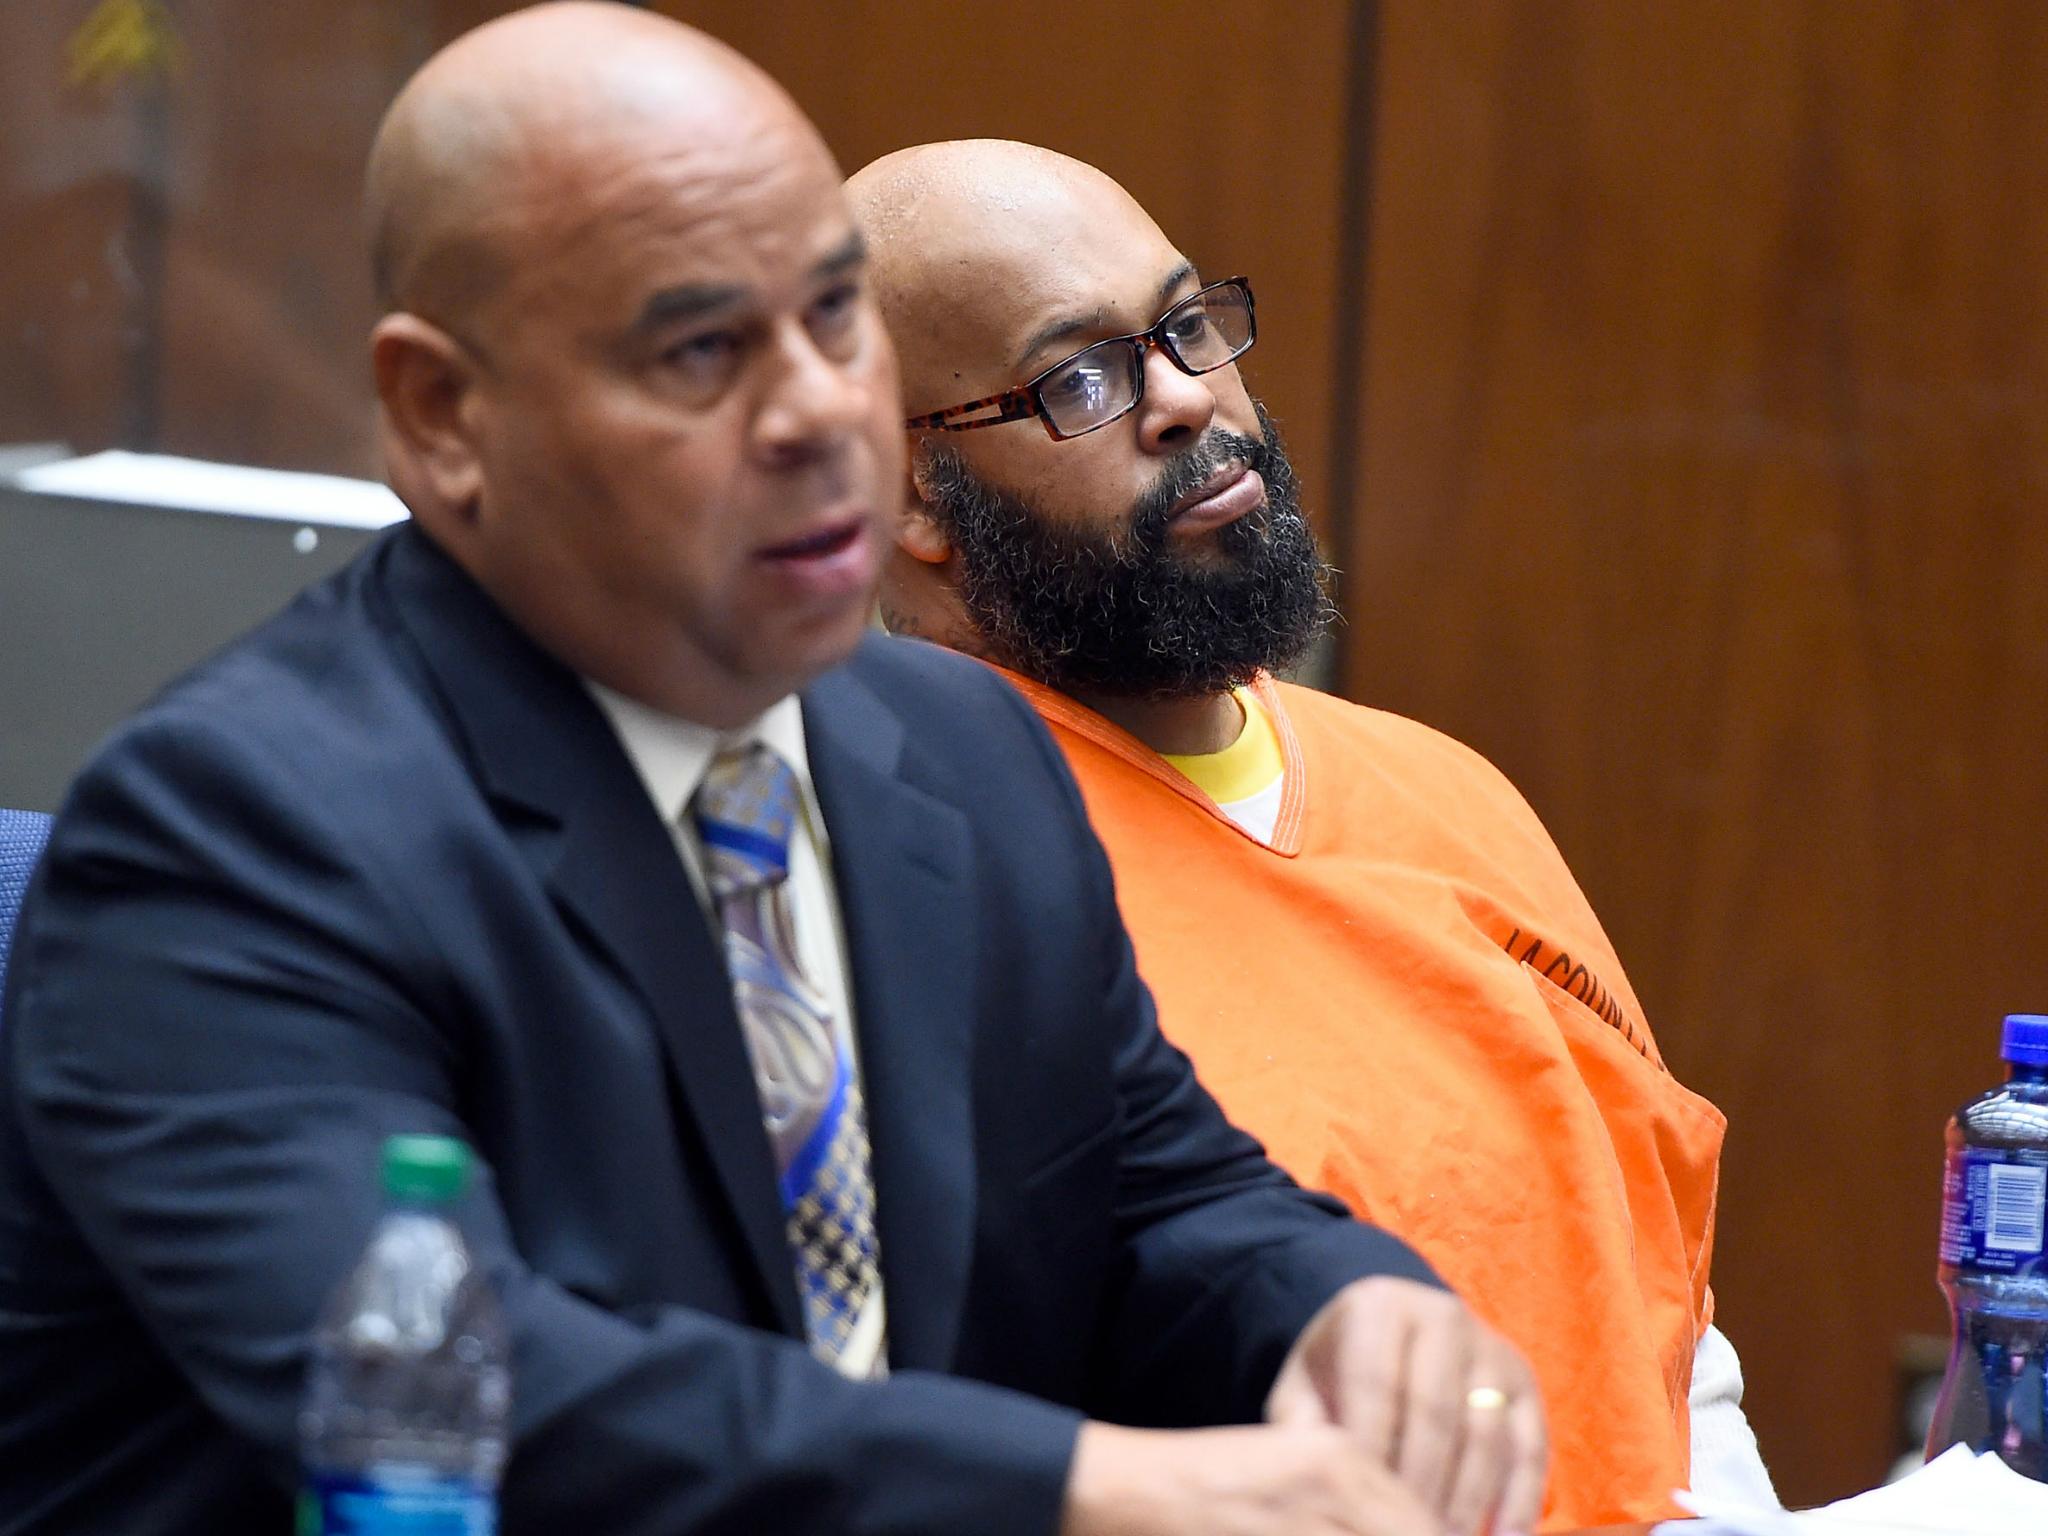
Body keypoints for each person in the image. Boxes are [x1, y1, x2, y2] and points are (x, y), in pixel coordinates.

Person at [0, 10, 1546, 1536]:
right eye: (698, 351)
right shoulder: (234, 834)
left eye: (832, 316)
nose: (818, 412)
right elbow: (462, 1394)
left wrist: (1341, 1304)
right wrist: (1076, 1490)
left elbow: (1159, 1194)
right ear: (442, 414)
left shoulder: (962, 749)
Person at [850, 138, 1778, 1531]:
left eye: (1183, 327)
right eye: (1081, 381)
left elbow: (1662, 1329)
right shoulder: (900, 854)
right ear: (911, 493)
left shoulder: (1450, 791)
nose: (1186, 400)